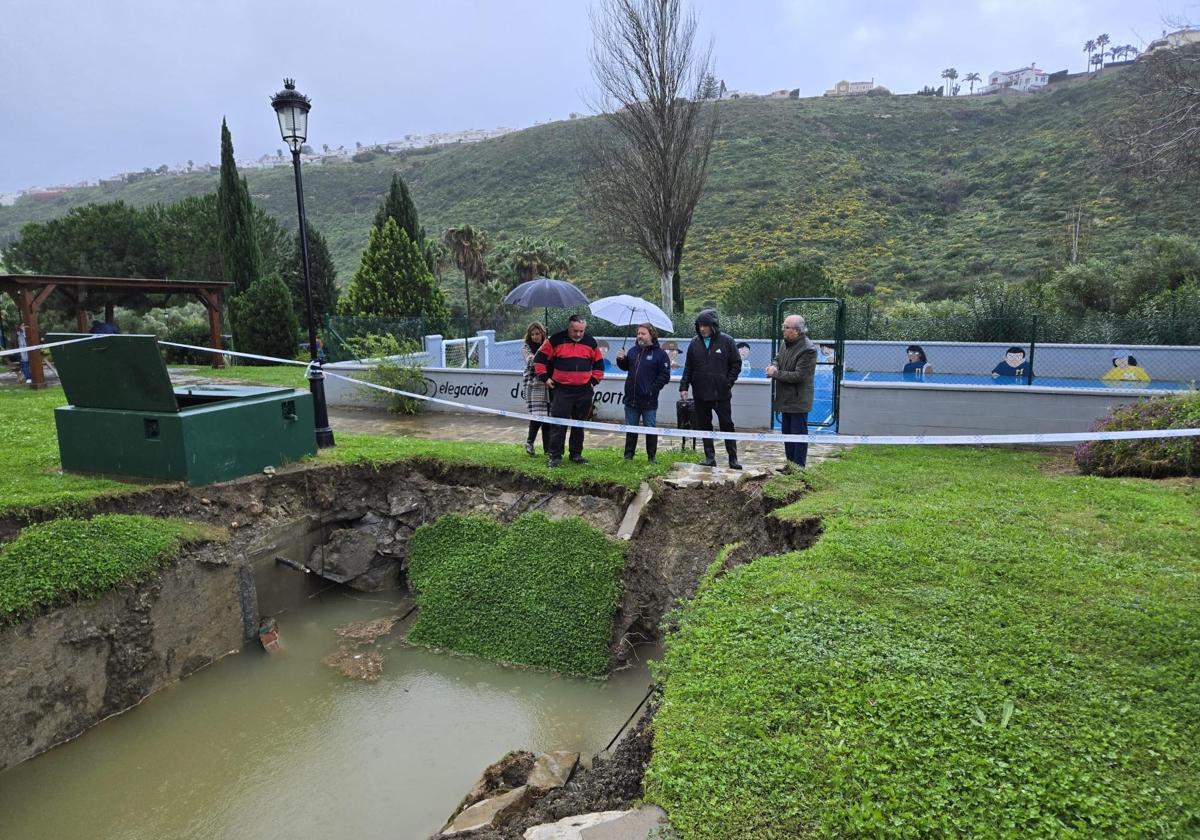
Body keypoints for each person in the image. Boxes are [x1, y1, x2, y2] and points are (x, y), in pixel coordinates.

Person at [534, 315, 605, 468]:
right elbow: (539, 359)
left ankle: (576, 454)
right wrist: (545, 378)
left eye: (582, 331)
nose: (579, 334)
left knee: (579, 424)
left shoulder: (591, 342)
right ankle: (555, 456)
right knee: (558, 424)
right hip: (561, 390)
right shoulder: (555, 340)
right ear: (569, 327)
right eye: (575, 331)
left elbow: (599, 364)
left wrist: (593, 381)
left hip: (584, 390)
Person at [679, 309, 742, 469]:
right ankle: (709, 457)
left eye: (705, 326)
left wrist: (727, 383)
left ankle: (733, 458)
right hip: (700, 393)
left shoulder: (727, 341)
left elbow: (736, 364)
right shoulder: (694, 343)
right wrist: (684, 386)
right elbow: (688, 367)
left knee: (727, 425)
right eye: (699, 326)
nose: (702, 329)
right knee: (704, 425)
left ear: (713, 326)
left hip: (721, 395)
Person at [766, 314, 818, 471]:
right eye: (783, 326)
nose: (783, 330)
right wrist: (773, 365)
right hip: (785, 399)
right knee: (787, 434)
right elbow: (777, 358)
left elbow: (799, 376)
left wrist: (775, 374)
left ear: (797, 330)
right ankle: (790, 465)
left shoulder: (808, 349)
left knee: (798, 436)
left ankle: (798, 469)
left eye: (786, 327)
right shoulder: (785, 342)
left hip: (798, 400)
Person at [616, 323, 672, 463]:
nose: (639, 336)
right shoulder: (633, 351)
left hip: (649, 401)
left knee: (650, 429)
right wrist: (620, 359)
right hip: (631, 399)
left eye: (643, 333)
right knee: (631, 429)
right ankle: (628, 456)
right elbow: (626, 367)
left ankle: (651, 457)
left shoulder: (660, 354)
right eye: (638, 333)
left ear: (651, 335)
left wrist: (651, 390)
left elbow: (665, 376)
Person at [520, 322, 551, 455]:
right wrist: (544, 349)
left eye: (537, 334)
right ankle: (530, 442)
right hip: (533, 384)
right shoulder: (526, 348)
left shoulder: (549, 344)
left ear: (542, 333)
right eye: (532, 334)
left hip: (548, 383)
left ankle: (547, 449)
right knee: (538, 415)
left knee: (548, 418)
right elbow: (532, 361)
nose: (535, 337)